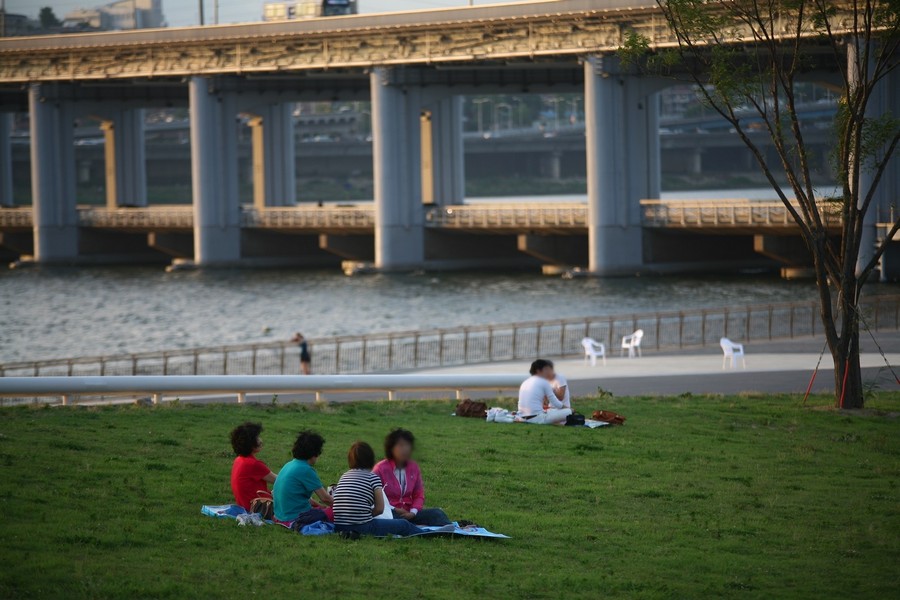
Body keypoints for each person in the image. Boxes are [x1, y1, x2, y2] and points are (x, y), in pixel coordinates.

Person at [332, 441, 433, 537]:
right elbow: (380, 509)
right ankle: (426, 535)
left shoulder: (344, 476)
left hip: (339, 526)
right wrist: (366, 515)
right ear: (370, 459)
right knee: (403, 524)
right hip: (362, 526)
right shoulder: (372, 477)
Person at [373, 429, 451, 526]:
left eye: (407, 445)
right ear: (391, 448)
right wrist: (394, 509)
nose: (405, 449)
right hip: (390, 513)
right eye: (400, 445)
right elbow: (374, 498)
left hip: (409, 513)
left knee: (437, 513)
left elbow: (418, 494)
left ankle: (453, 530)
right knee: (396, 522)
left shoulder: (414, 467)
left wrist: (413, 512)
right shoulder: (380, 469)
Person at [272, 430, 333, 529]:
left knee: (323, 510)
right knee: (333, 513)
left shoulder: (289, 464)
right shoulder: (306, 470)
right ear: (315, 453)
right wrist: (342, 506)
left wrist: (321, 507)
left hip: (279, 516)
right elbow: (325, 498)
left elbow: (301, 497)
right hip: (295, 518)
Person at [229, 422, 277, 511]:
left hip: (245, 505)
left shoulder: (239, 460)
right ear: (250, 443)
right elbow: (280, 481)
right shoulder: (254, 464)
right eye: (257, 438)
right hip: (258, 507)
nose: (260, 440)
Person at [517, 359, 572, 424]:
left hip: (522, 417)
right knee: (569, 412)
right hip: (538, 419)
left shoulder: (525, 382)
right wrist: (568, 409)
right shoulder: (544, 382)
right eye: (546, 369)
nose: (548, 372)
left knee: (549, 411)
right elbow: (555, 402)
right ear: (538, 371)